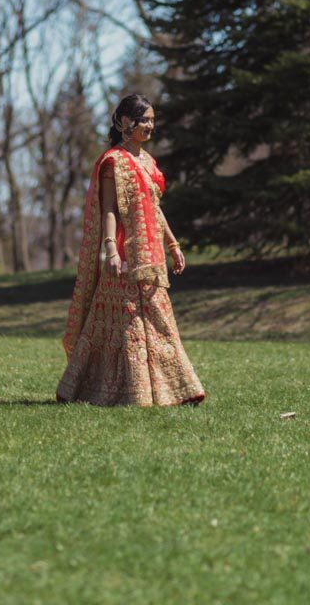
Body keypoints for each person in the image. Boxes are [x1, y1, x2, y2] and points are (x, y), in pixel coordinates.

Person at [55, 94, 206, 407]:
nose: (150, 125)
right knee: (119, 328)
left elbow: (155, 208)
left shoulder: (148, 162)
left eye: (152, 120)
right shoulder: (114, 161)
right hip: (124, 258)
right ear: (125, 121)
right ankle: (100, 389)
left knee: (161, 321)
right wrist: (111, 250)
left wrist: (173, 244)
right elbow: (109, 209)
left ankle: (178, 390)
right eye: (144, 120)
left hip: (151, 258)